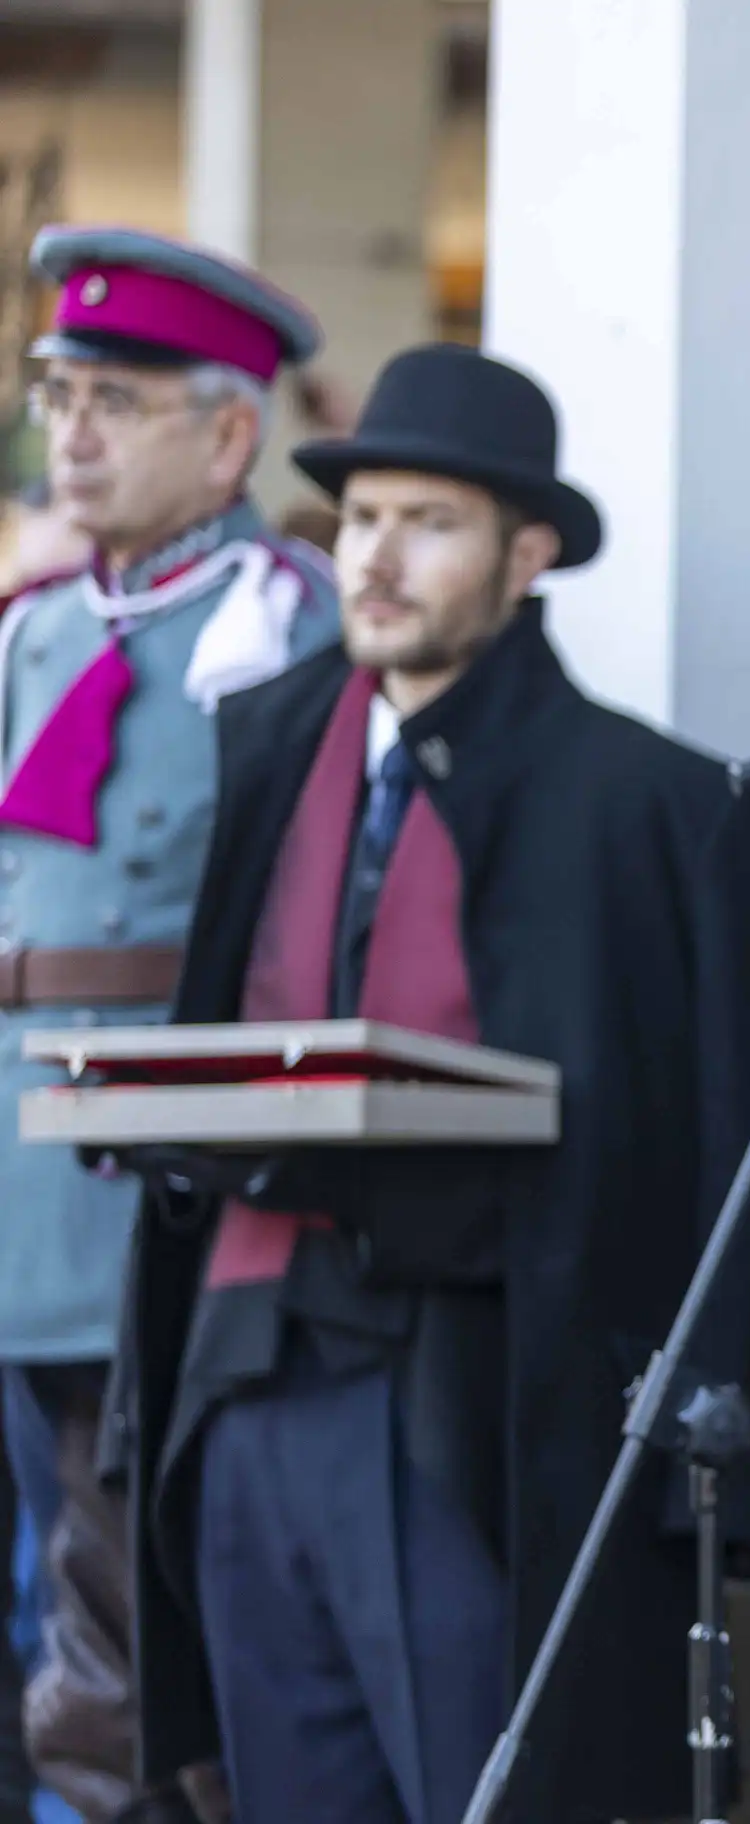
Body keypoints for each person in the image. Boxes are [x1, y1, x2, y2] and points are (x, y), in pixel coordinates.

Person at [112, 344, 750, 1824]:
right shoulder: (271, 740)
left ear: (529, 552)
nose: (376, 557)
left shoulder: (660, 805)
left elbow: (737, 1150)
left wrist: (742, 1479)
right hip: (243, 1377)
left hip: (487, 1409)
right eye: (362, 519)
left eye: (427, 523)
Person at [0, 226, 338, 1824]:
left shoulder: (294, 625)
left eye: (116, 402)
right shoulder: (36, 627)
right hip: (15, 1172)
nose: (69, 434)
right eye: (58, 393)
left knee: (131, 1621)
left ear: (227, 436)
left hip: (155, 1175)